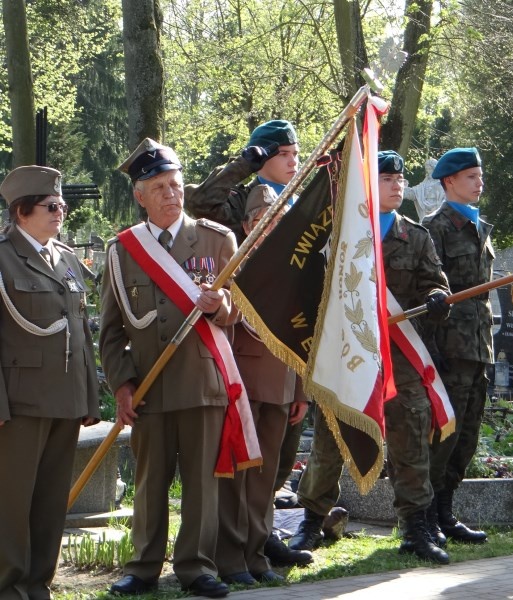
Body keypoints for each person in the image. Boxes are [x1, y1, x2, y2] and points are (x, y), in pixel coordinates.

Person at [101, 139, 240, 598]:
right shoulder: (123, 251)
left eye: (176, 185)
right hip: (149, 386)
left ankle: (195, 568)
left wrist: (221, 306)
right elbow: (111, 330)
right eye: (158, 187)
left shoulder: (217, 239)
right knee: (148, 482)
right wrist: (122, 385)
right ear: (139, 195)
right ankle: (142, 568)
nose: (171, 194)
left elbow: (237, 313)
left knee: (201, 482)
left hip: (202, 381)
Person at [185, 120, 312, 566]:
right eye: (284, 152)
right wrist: (246, 164)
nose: (294, 160)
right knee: (242, 462)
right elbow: (198, 202)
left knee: (273, 463)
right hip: (245, 353)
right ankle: (236, 548)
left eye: (297, 152)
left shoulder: (302, 206)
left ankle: (260, 541)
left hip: (287, 356)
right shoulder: (239, 201)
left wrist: (301, 383)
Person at [0, 166, 100, 600]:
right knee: (11, 504)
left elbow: (81, 335)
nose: (62, 211)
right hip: (19, 405)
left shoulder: (65, 257)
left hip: (65, 400)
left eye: (62, 204)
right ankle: (8, 587)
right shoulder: (3, 257)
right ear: (22, 212)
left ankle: (38, 583)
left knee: (50, 502)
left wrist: (90, 397)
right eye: (52, 206)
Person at [214, 184, 313, 586]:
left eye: (278, 219)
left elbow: (304, 333)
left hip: (283, 385)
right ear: (247, 223)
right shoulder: (233, 263)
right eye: (262, 219)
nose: (270, 225)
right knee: (235, 477)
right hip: (243, 384)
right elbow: (226, 317)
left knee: (265, 478)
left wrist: (302, 390)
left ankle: (256, 556)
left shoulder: (296, 267)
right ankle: (230, 558)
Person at [378, 150, 451, 563]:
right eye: (387, 179)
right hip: (354, 352)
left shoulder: (417, 236)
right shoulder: (350, 233)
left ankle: (415, 527)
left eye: (400, 179)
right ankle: (314, 520)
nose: (397, 185)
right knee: (334, 441)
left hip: (402, 353)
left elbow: (433, 282)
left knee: (411, 436)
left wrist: (437, 297)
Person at [422, 147, 493, 545]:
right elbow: (427, 290)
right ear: (449, 181)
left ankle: (446, 511)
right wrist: (431, 349)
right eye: (470, 176)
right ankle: (426, 515)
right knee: (442, 435)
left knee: (467, 435)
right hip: (448, 349)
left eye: (479, 175)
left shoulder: (480, 227)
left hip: (478, 347)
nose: (478, 182)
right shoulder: (435, 228)